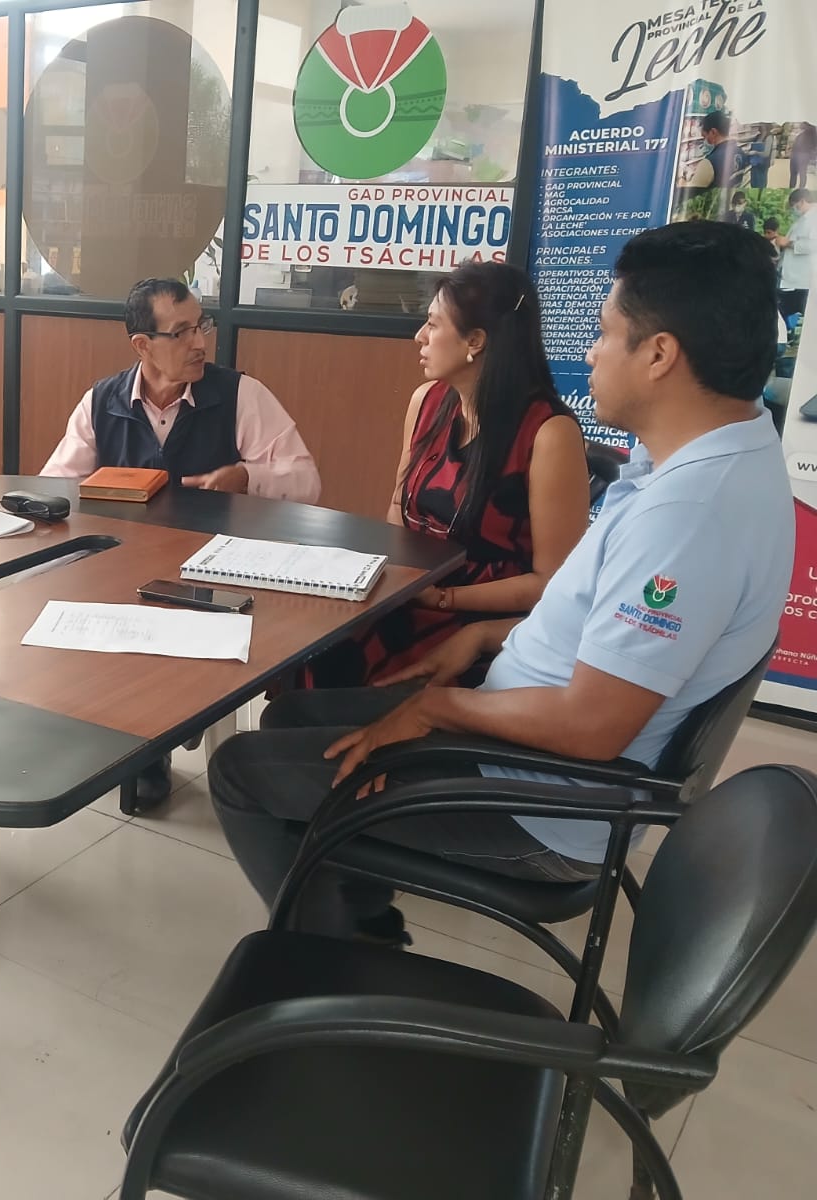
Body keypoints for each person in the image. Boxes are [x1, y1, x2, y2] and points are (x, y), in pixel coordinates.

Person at [207, 220, 792, 945]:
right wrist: (487, 634)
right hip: (523, 732)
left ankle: (338, 963)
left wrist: (439, 708)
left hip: (537, 800)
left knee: (240, 774)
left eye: (605, 334)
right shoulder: (718, 463)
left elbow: (592, 725)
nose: (590, 352)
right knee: (295, 717)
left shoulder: (690, 515)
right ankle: (357, 911)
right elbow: (596, 628)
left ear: (659, 355)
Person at [41, 276, 321, 804]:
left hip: (215, 571)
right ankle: (145, 741)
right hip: (124, 571)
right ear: (142, 345)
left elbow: (306, 481)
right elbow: (57, 487)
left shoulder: (241, 394)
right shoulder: (101, 401)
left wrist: (247, 478)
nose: (200, 343)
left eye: (202, 326)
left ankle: (175, 726)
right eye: (182, 332)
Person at [304, 262, 588, 689]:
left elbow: (553, 584)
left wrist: (441, 597)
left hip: (485, 625)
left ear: (475, 341)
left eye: (434, 324)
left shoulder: (549, 433)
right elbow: (398, 507)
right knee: (312, 644)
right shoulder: (427, 401)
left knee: (337, 676)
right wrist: (394, 580)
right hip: (413, 597)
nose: (419, 336)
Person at [774, 188, 814, 322]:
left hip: (801, 279)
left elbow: (812, 245)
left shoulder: (813, 218)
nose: (793, 210)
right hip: (790, 277)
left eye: (794, 206)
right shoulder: (803, 219)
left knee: (795, 316)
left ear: (802, 201)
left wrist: (788, 243)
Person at [687, 110, 740, 189]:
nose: (704, 141)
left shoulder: (709, 162)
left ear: (713, 132)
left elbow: (692, 191)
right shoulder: (740, 151)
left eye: (704, 136)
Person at [790, 121, 815, 191]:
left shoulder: (810, 134)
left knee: (799, 173)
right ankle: (798, 189)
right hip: (798, 154)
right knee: (798, 173)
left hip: (803, 154)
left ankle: (798, 189)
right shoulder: (803, 133)